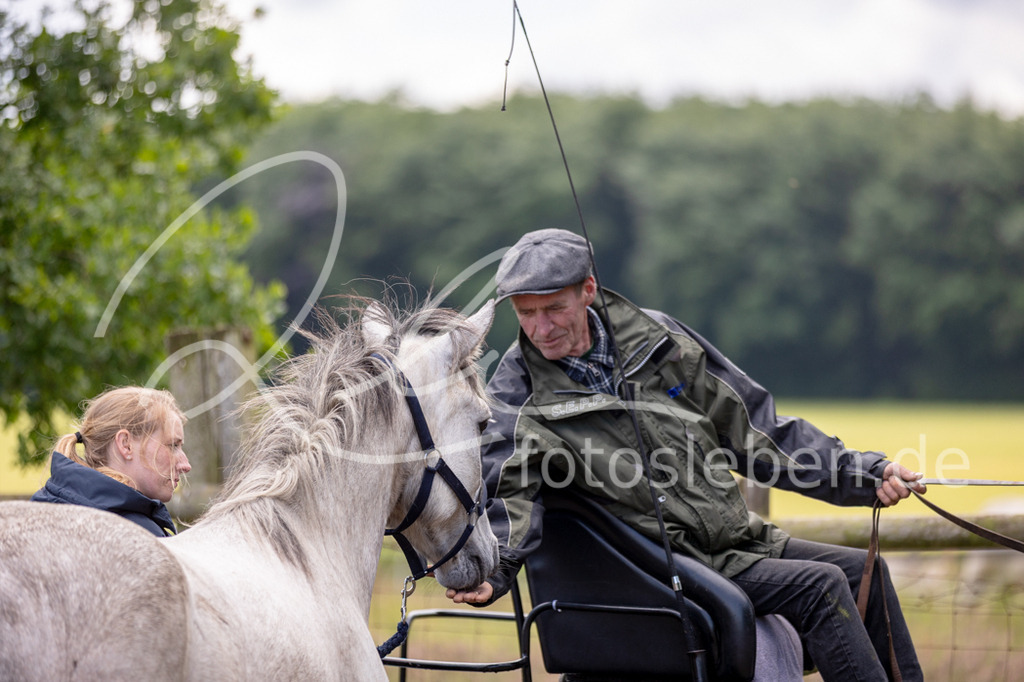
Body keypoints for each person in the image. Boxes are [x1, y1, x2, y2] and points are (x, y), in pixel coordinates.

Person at [448, 228, 925, 681]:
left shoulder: (660, 341)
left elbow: (755, 428)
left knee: (868, 573)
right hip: (658, 564)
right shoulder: (517, 394)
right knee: (820, 588)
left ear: (588, 289)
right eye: (525, 313)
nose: (540, 328)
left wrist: (861, 473)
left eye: (553, 309)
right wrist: (494, 571)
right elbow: (508, 489)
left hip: (734, 544)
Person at [31, 386, 192, 537]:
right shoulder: (139, 534)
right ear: (125, 444)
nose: (186, 465)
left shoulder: (38, 511)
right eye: (173, 445)